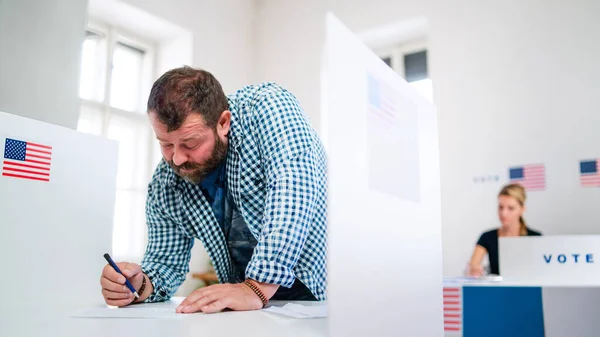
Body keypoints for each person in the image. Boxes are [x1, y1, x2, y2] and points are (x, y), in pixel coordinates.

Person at [99, 66, 327, 313]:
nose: (176, 159)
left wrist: (257, 286)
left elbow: (293, 190)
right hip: (249, 307)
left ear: (223, 123)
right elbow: (165, 262)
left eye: (191, 143)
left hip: (323, 293)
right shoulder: (166, 184)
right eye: (165, 144)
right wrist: (141, 285)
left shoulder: (266, 107)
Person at [467, 183, 542, 276]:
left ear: (522, 209)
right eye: (500, 207)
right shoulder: (487, 237)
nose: (504, 213)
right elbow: (473, 266)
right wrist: (474, 270)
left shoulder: (535, 238)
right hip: (497, 290)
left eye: (511, 208)